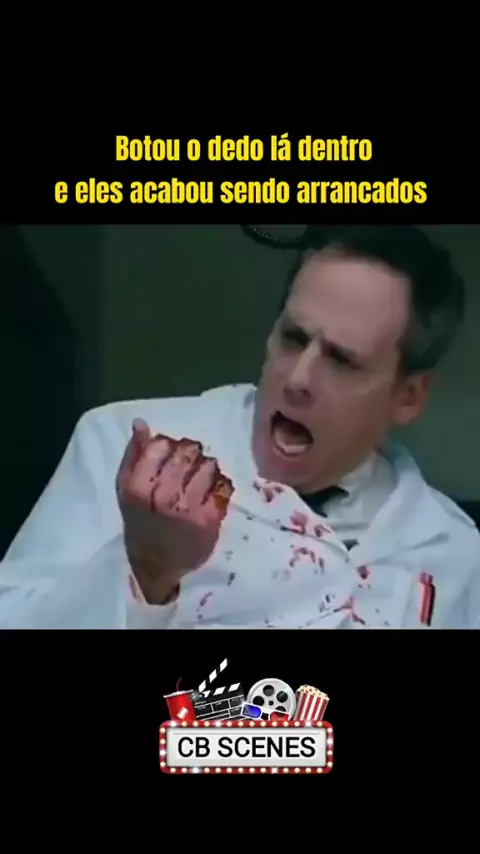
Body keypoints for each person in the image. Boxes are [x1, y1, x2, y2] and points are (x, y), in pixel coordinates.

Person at [1, 225, 479, 629]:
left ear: (409, 396)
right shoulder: (126, 448)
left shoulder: (450, 550)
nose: (298, 380)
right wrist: (145, 568)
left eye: (341, 361)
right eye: (293, 338)